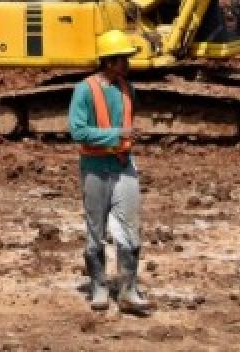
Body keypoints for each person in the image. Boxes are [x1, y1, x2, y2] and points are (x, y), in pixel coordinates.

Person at [68, 29, 152, 316]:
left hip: (123, 165)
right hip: (95, 168)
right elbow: (78, 131)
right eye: (123, 59)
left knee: (130, 227)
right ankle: (99, 285)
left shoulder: (126, 87)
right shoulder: (84, 90)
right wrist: (119, 133)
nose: (128, 64)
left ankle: (129, 289)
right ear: (109, 61)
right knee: (96, 229)